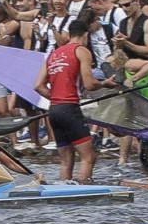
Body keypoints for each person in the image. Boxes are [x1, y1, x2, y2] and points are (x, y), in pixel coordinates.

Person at [32, 14, 100, 184]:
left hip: (54, 111)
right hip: (70, 109)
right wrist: (106, 83)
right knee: (88, 156)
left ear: (69, 34)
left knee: (65, 160)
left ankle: (64, 190)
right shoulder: (82, 50)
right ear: (85, 35)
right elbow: (90, 84)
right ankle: (83, 189)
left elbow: (38, 86)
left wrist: (55, 97)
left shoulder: (54, 54)